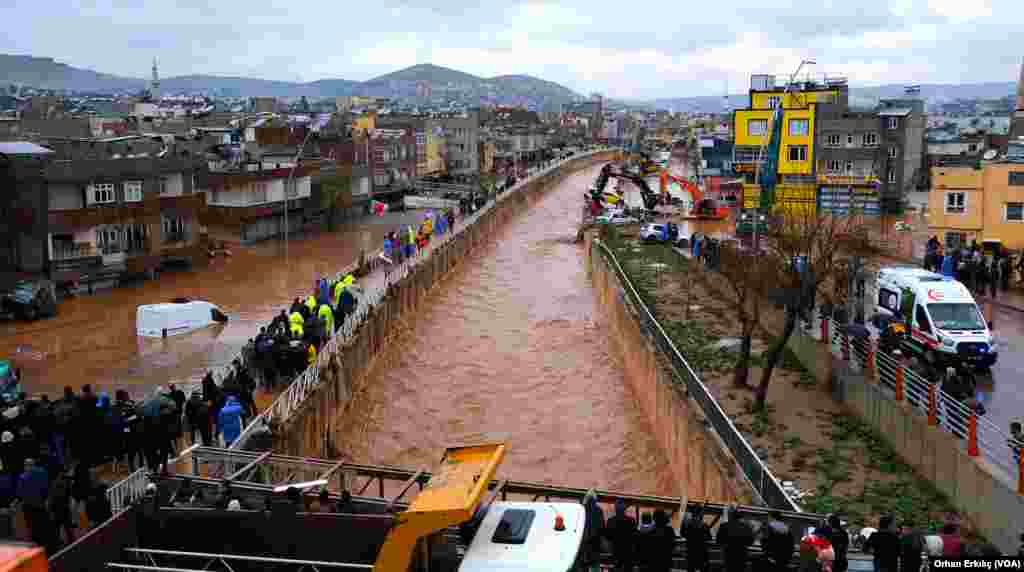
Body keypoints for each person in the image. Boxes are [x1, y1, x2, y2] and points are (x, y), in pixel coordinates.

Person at [716, 504, 754, 572]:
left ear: (730, 515)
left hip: (729, 557)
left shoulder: (724, 526)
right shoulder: (746, 527)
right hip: (742, 557)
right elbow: (750, 542)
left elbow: (718, 541)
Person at [604, 498, 637, 572]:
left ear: (615, 509)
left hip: (616, 551)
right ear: (624, 509)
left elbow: (607, 536)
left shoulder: (611, 521)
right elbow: (635, 536)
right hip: (628, 552)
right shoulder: (631, 521)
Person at [581, 490, 605, 572]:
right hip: (595, 544)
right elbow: (602, 528)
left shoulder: (582, 509)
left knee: (583, 566)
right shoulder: (599, 511)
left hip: (584, 544)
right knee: (594, 566)